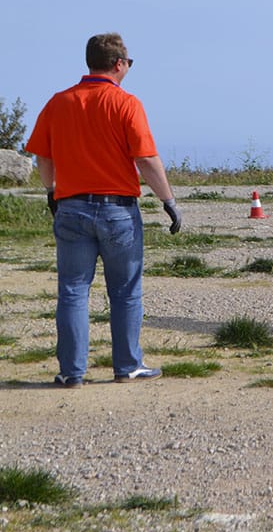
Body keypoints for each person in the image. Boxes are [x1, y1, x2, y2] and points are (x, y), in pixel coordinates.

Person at [24, 33, 182, 388]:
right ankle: (127, 365)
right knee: (125, 291)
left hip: (72, 206)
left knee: (73, 290)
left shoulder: (58, 102)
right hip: (117, 211)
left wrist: (52, 190)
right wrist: (168, 200)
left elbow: (42, 155)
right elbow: (145, 158)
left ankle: (71, 372)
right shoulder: (126, 103)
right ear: (119, 64)